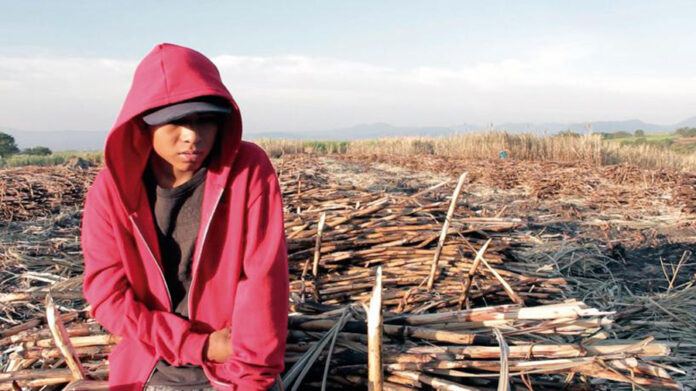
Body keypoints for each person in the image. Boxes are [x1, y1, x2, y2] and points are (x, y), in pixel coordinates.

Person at [81, 43, 289, 390]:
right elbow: (108, 296)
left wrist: (249, 379)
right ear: (144, 123)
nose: (192, 136)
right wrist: (199, 345)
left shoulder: (248, 171)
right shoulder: (111, 190)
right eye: (176, 121)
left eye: (205, 120)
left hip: (233, 364)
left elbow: (263, 282)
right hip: (150, 359)